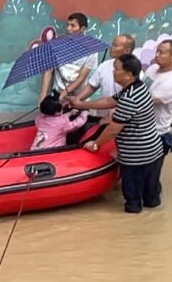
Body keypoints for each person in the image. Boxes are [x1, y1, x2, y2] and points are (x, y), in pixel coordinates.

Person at [70, 54, 166, 213]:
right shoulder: (138, 87)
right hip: (153, 152)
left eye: (116, 69)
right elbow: (109, 101)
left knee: (132, 202)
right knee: (152, 198)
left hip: (136, 156)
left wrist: (95, 144)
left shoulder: (130, 98)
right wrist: (81, 104)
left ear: (128, 74)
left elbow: (113, 129)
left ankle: (133, 233)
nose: (113, 72)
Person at [39, 12, 97, 107]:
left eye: (73, 26)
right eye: (68, 25)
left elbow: (81, 77)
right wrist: (43, 95)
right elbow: (48, 71)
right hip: (57, 95)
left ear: (82, 29)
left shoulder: (92, 49)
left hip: (80, 97)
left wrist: (64, 94)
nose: (68, 29)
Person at [146, 38, 172, 153]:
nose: (157, 55)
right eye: (157, 51)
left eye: (162, 53)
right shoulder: (152, 69)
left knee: (150, 170)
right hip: (141, 130)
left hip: (156, 133)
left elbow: (145, 100)